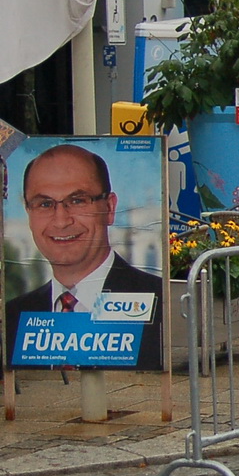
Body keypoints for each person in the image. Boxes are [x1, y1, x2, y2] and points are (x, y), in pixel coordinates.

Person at [5, 144, 164, 371]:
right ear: (28, 213)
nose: (61, 220)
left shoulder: (159, 302)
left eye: (77, 200)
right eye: (45, 204)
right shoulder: (13, 316)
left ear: (109, 208)